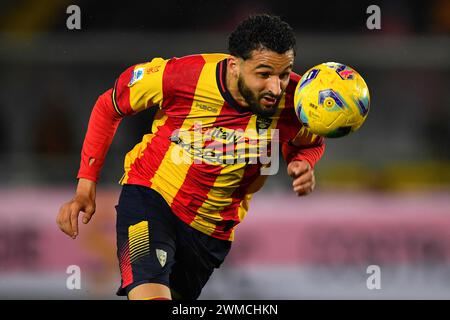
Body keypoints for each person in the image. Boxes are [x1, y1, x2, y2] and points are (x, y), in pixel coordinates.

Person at [56, 14, 325, 300]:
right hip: (151, 197)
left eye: (284, 74)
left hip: (211, 231)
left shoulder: (297, 99)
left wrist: (303, 162)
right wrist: (86, 184)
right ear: (234, 65)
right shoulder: (181, 76)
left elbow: (309, 141)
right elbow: (109, 106)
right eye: (263, 74)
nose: (276, 87)